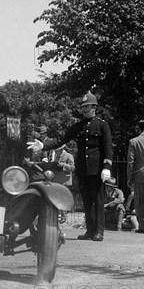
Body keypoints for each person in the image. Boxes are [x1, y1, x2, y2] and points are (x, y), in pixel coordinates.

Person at [30, 91, 113, 242]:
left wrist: (107, 167)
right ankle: (90, 230)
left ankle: (99, 231)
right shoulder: (79, 126)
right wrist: (43, 146)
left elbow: (108, 147)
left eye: (87, 106)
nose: (84, 109)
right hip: (83, 169)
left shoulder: (102, 125)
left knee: (98, 200)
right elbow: (62, 139)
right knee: (87, 199)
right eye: (83, 107)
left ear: (94, 107)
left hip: (97, 169)